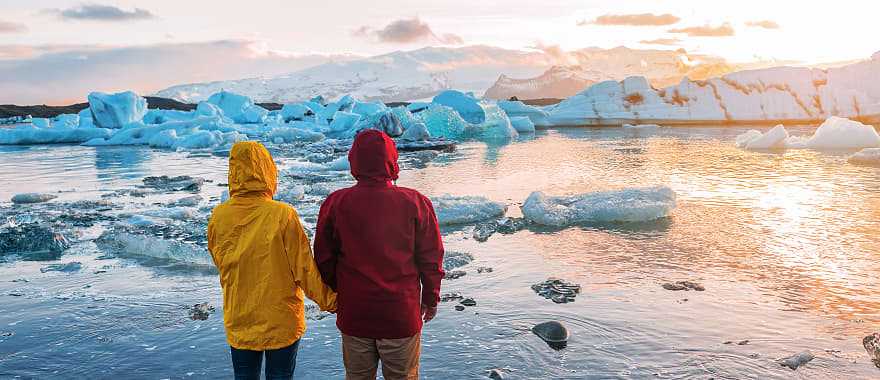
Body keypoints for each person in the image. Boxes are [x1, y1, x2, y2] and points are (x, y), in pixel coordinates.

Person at [314, 129, 445, 380]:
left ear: (354, 160)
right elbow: (431, 258)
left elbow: (323, 258)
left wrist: (344, 290)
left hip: (355, 314)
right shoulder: (415, 202)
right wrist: (430, 298)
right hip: (400, 315)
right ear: (392, 160)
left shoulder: (336, 203)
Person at [208, 141, 337, 380]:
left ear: (233, 172)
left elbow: (220, 260)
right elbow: (304, 269)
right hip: (281, 319)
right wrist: (331, 301)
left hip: (240, 316)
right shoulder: (282, 214)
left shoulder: (219, 216)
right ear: (268, 170)